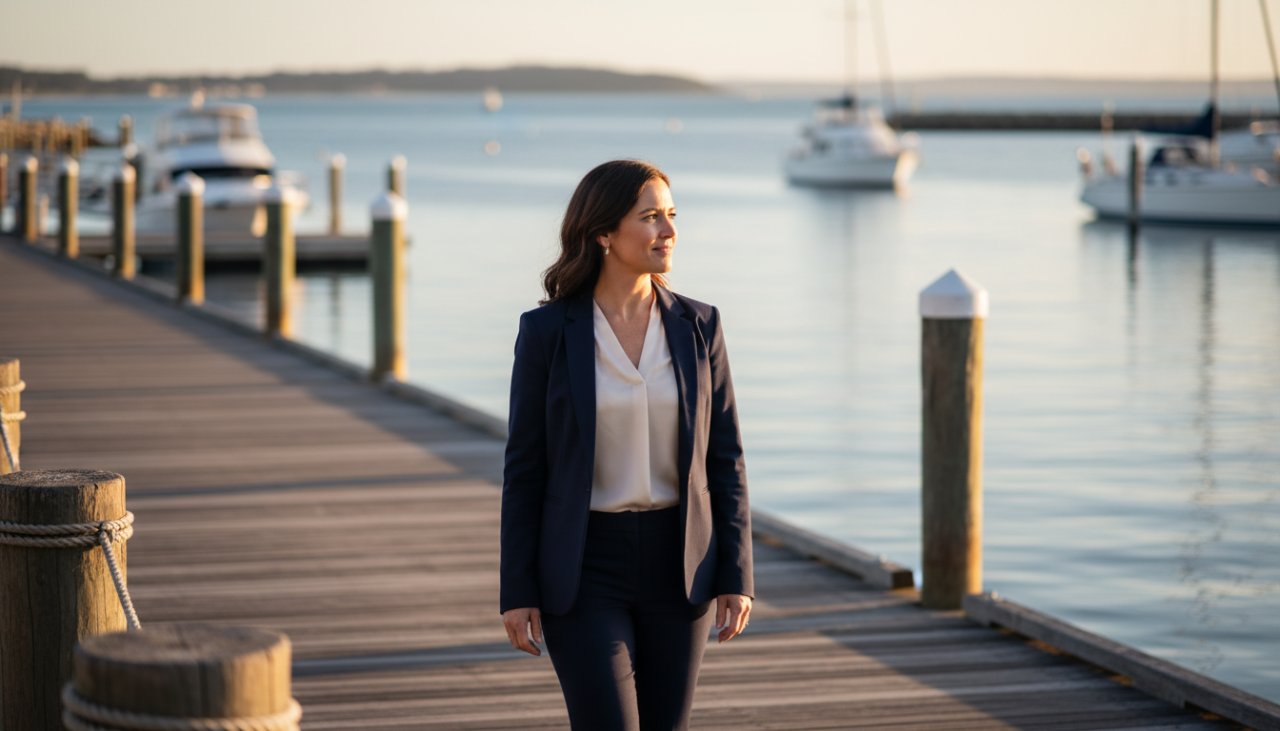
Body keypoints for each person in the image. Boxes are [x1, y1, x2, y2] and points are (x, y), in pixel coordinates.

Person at [500, 159, 754, 730]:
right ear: (604, 234)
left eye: (671, 215)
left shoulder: (700, 326)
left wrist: (737, 577)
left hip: (680, 567)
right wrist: (517, 589)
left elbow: (726, 461)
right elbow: (525, 469)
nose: (669, 230)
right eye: (650, 217)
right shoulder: (546, 334)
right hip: (584, 567)